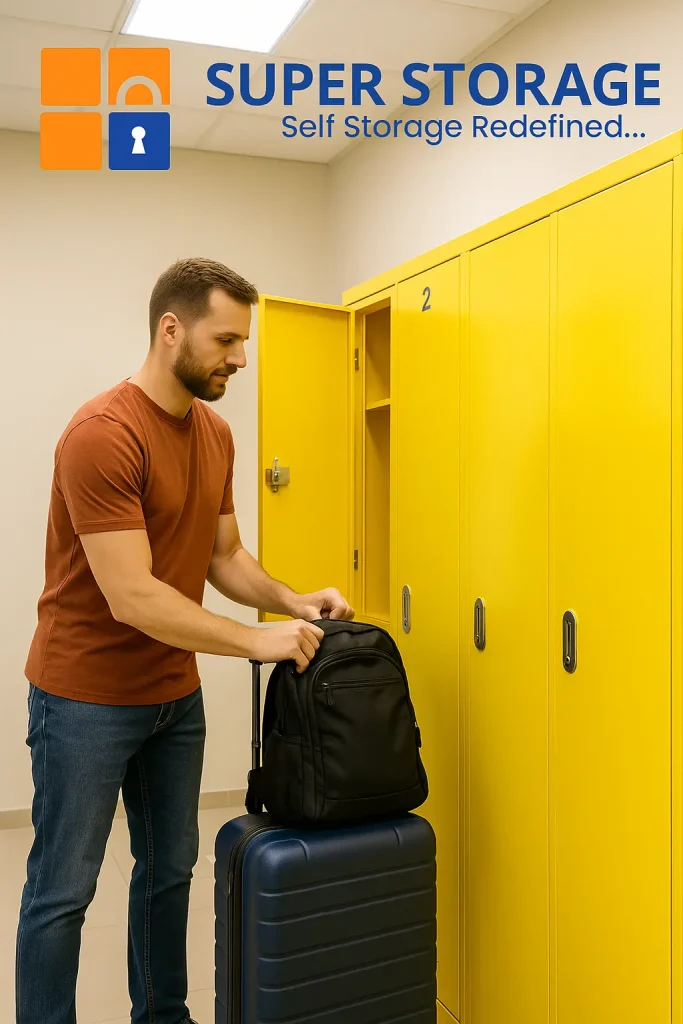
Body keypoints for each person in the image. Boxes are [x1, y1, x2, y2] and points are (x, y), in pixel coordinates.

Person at [16, 257, 354, 1024]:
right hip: (84, 700)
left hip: (172, 699)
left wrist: (288, 602)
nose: (241, 357)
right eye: (227, 339)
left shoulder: (215, 433)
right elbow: (132, 595)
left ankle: (162, 1015)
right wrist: (253, 643)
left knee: (170, 870)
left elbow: (223, 556)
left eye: (245, 341)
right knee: (63, 890)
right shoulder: (101, 435)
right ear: (171, 330)